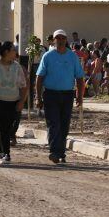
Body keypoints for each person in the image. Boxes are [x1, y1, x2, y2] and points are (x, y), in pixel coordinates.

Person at [36, 29, 85, 164]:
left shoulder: (72, 57)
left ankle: (61, 151)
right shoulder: (47, 56)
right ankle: (54, 151)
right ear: (54, 40)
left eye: (63, 38)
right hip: (51, 94)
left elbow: (80, 78)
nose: (60, 40)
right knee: (53, 123)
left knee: (64, 124)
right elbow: (39, 78)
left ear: (66, 40)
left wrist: (79, 97)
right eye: (58, 38)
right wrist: (38, 97)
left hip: (67, 95)